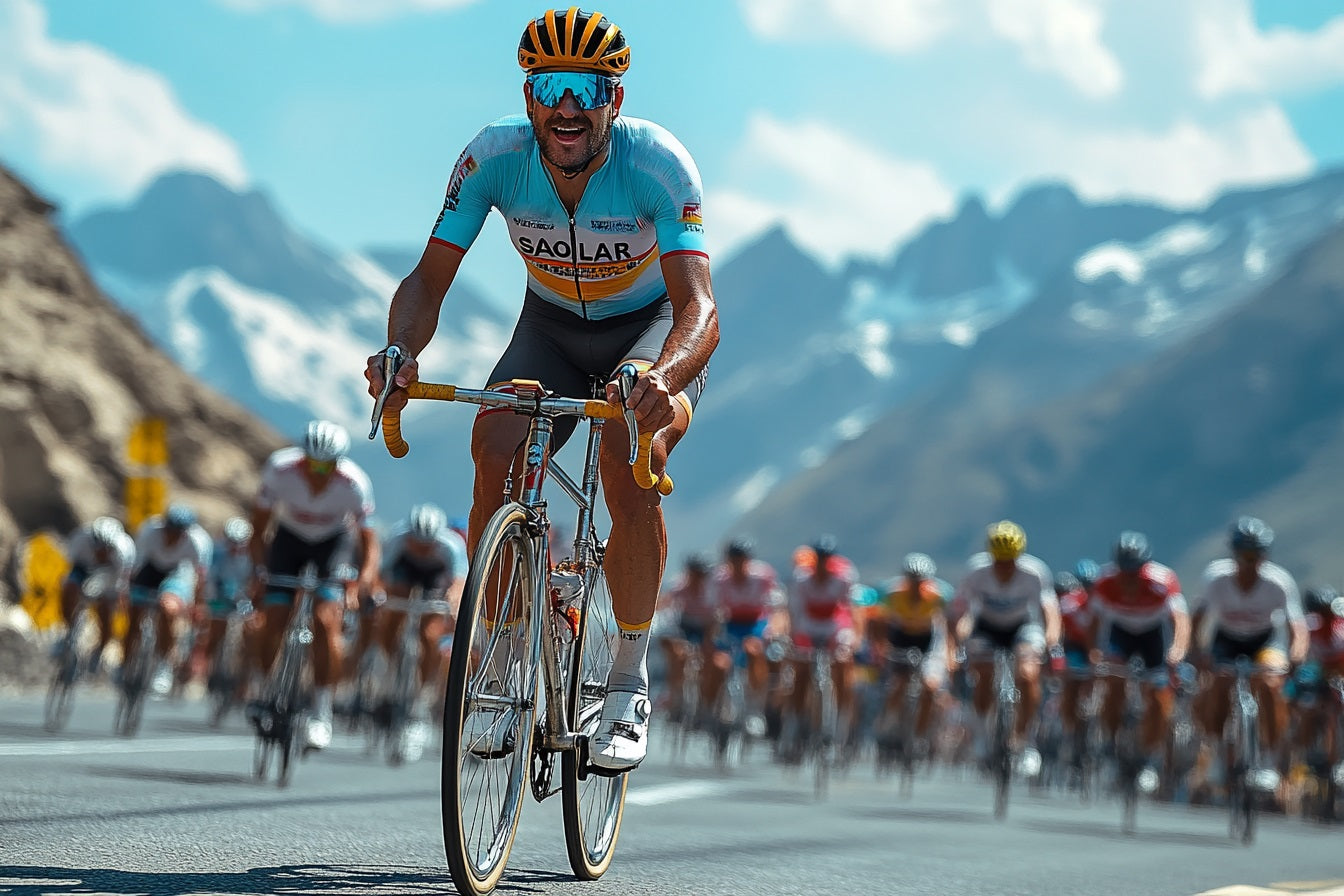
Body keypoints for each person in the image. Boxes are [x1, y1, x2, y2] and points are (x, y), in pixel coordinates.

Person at [365, 8, 719, 773]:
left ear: (613, 101)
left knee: (630, 469)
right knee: (493, 445)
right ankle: (510, 656)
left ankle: (626, 678)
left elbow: (699, 308)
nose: (567, 106)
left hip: (648, 335)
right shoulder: (491, 157)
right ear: (529, 97)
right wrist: (400, 351)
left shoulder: (659, 164)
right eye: (550, 86)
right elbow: (429, 280)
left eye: (585, 89)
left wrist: (664, 378)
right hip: (550, 330)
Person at [247, 419, 379, 751]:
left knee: (325, 620)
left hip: (331, 545)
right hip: (288, 541)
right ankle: (263, 690)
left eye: (327, 465)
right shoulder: (279, 468)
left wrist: (360, 584)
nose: (318, 471)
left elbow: (369, 542)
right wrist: (259, 573)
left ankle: (322, 711)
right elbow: (259, 527)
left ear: (339, 462)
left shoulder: (354, 483)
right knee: (274, 614)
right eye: (312, 463)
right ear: (302, 456)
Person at [1190, 517, 1307, 784]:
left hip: (1265, 642)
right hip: (1226, 640)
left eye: (1255, 555)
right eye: (1244, 555)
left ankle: (1268, 759)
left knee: (1269, 684)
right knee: (1219, 684)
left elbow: (1297, 628)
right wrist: (1198, 652)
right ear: (1234, 554)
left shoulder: (1279, 582)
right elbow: (1196, 619)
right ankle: (1218, 753)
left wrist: (1296, 657)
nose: (1249, 562)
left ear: (1264, 557)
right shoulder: (1215, 577)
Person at [950, 520, 1061, 776]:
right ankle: (981, 736)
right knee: (983, 672)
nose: (1004, 568)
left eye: (1009, 561)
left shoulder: (1034, 573)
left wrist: (1052, 644)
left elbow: (1050, 613)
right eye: (999, 562)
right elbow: (964, 612)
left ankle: (1023, 741)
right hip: (986, 625)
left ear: (1018, 557)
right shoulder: (976, 571)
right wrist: (963, 638)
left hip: (1022, 626)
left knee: (1029, 675)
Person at [1090, 531, 1190, 793]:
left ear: (1144, 567)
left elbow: (1180, 620)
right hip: (1120, 635)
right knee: (1113, 682)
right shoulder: (1105, 581)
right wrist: (1093, 652)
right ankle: (1111, 744)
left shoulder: (1163, 580)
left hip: (1152, 637)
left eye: (1135, 571)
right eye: (1124, 571)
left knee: (1159, 696)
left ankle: (1148, 758)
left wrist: (1177, 650)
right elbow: (1094, 621)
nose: (1129, 577)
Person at [372, 502, 468, 753]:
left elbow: (457, 582)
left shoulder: (450, 545)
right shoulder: (398, 538)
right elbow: (381, 575)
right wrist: (379, 595)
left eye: (428, 545)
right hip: (405, 572)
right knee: (392, 610)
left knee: (430, 634)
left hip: (435, 579)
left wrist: (452, 603)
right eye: (417, 543)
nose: (422, 548)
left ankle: (423, 693)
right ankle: (391, 660)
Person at [781, 536, 858, 760]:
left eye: (827, 559)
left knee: (843, 664)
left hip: (833, 625)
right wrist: (792, 638)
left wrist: (853, 638)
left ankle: (840, 729)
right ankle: (792, 726)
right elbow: (794, 611)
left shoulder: (844, 577)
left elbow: (851, 611)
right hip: (808, 623)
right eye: (820, 559)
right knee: (801, 669)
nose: (824, 563)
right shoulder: (802, 578)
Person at [868, 552, 952, 754]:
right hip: (900, 638)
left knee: (930, 688)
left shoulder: (940, 595)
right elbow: (877, 621)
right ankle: (890, 720)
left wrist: (949, 652)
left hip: (927, 640)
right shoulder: (891, 593)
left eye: (920, 581)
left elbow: (948, 625)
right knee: (899, 683)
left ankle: (919, 736)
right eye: (912, 581)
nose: (916, 585)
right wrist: (880, 647)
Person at [126, 504, 213, 695]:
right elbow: (135, 566)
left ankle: (164, 664)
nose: (171, 536)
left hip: (177, 572)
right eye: (169, 530)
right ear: (164, 526)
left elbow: (201, 579)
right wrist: (127, 592)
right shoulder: (149, 530)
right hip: (150, 569)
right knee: (133, 612)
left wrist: (198, 605)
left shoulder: (199, 542)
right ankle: (127, 661)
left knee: (168, 608)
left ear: (185, 533)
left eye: (177, 532)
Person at [706, 537, 784, 735]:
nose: (738, 564)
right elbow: (712, 611)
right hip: (731, 623)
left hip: (755, 623)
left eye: (742, 559)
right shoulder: (719, 578)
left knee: (753, 649)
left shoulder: (763, 576)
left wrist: (773, 629)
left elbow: (777, 608)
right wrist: (712, 637)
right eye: (734, 560)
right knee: (719, 663)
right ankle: (712, 709)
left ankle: (755, 709)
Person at [59, 516, 135, 675]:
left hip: (110, 573)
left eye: (106, 549)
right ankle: (67, 632)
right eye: (98, 548)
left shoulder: (124, 549)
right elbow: (69, 567)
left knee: (106, 612)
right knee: (69, 588)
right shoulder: (80, 538)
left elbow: (122, 586)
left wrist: (111, 598)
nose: (101, 552)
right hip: (84, 567)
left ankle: (100, 649)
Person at [655, 552, 716, 726]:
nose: (698, 579)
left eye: (702, 575)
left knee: (711, 659)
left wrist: (708, 642)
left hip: (703, 630)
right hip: (681, 629)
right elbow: (667, 616)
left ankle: (705, 703)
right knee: (679, 655)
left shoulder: (711, 593)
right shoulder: (678, 589)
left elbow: (715, 620)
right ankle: (674, 694)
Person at [201, 517, 255, 701]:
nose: (235, 547)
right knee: (214, 628)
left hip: (244, 598)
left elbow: (256, 583)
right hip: (220, 595)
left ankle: (243, 680)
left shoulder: (253, 556)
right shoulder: (216, 553)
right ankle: (209, 668)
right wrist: (208, 600)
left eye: (239, 544)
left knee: (251, 633)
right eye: (231, 542)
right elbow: (208, 580)